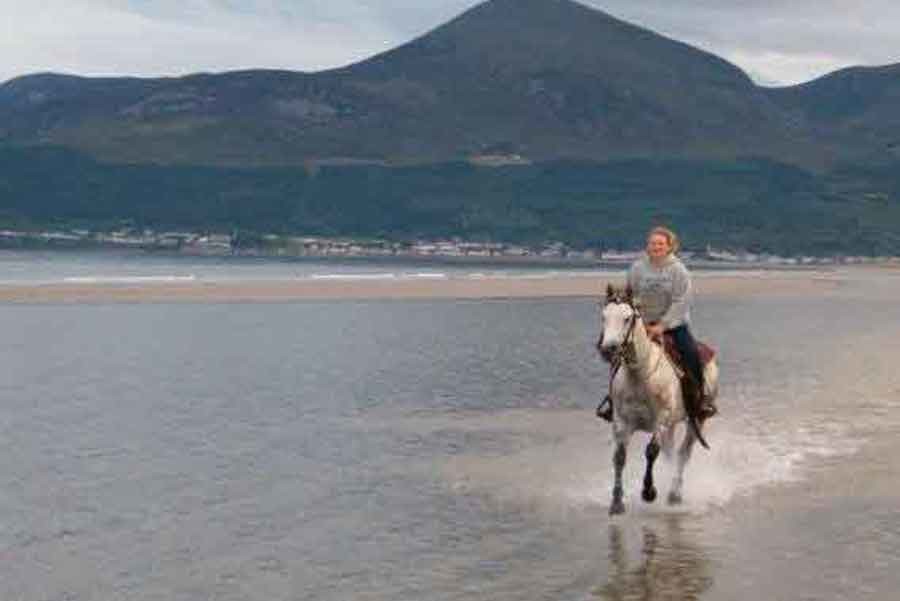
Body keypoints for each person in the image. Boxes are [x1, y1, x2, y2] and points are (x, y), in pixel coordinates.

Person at [597, 226, 717, 421]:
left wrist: (662, 325)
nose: (656, 247)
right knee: (617, 354)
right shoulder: (637, 268)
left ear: (670, 247)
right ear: (647, 246)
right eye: (653, 243)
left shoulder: (678, 270)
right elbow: (630, 295)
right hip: (641, 325)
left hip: (674, 325)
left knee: (691, 354)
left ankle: (699, 400)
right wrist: (632, 318)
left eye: (661, 243)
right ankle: (613, 401)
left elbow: (682, 301)